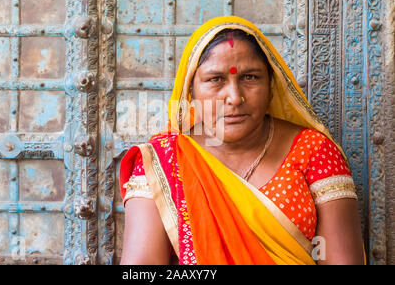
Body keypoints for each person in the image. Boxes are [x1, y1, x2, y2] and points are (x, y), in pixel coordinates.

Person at [119, 16, 364, 265]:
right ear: (190, 91)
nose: (235, 98)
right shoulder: (166, 160)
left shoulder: (313, 150)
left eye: (250, 77)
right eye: (215, 79)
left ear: (271, 85)